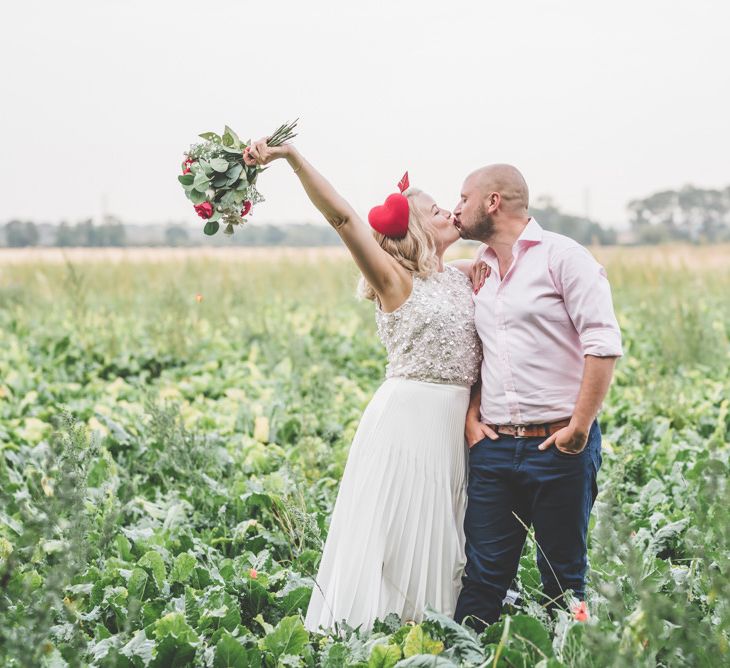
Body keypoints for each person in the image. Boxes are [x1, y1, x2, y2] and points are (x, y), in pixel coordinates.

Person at [244, 138, 486, 631]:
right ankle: (371, 636)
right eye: (437, 209)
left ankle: (428, 635)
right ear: (415, 225)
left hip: (450, 428)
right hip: (406, 420)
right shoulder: (393, 279)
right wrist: (291, 157)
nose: (449, 214)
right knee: (395, 532)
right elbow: (345, 220)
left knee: (440, 533)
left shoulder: (462, 277)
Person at [452, 164, 623, 630]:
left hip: (559, 447)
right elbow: (481, 352)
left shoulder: (565, 258)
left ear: (493, 202)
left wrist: (579, 429)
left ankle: (574, 652)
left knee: (564, 579)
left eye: (463, 197)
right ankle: (467, 657)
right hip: (494, 449)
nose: (456, 208)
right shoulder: (481, 269)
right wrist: (472, 414)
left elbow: (603, 343)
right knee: (483, 576)